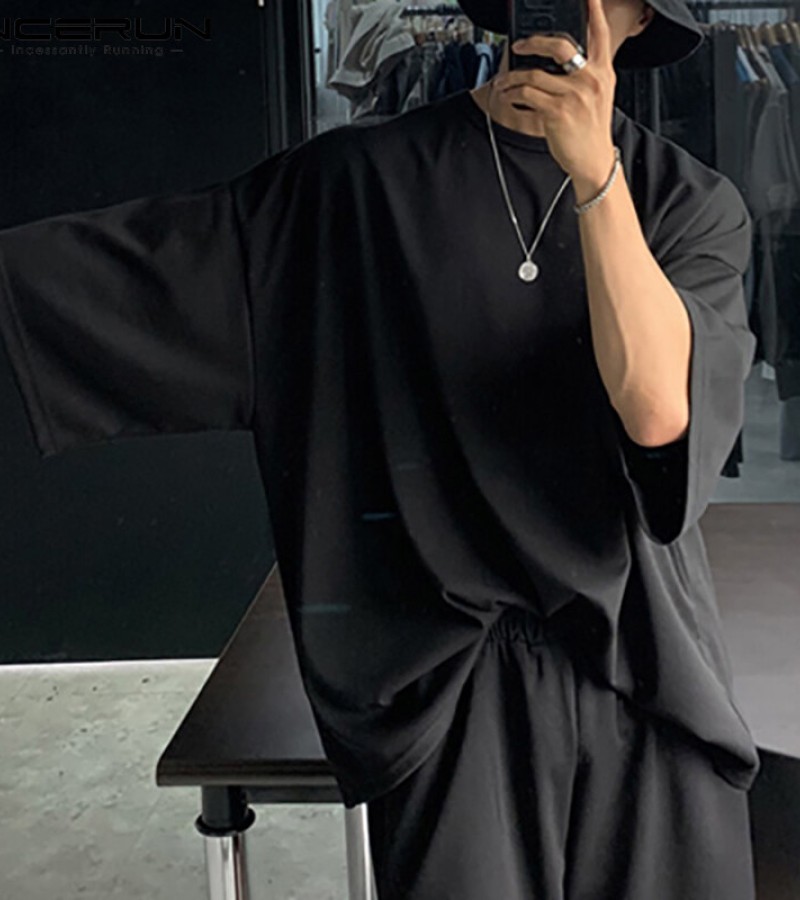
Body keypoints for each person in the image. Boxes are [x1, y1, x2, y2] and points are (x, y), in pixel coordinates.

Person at [0, 0, 761, 896]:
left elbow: (659, 411)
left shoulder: (686, 201)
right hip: (452, 689)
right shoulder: (352, 188)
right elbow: (130, 274)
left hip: (649, 672)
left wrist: (596, 180)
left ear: (639, 19)